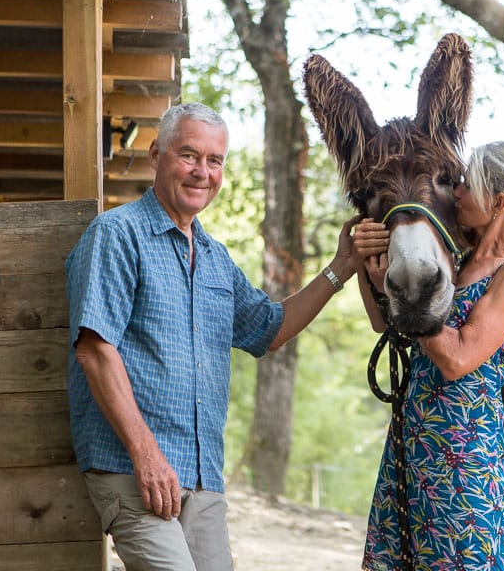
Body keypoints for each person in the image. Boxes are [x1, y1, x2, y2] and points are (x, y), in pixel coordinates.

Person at [66, 102, 360, 571]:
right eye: (188, 155)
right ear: (156, 154)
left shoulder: (215, 258)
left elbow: (271, 329)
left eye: (214, 160)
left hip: (202, 480)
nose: (202, 172)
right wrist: (147, 455)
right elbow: (95, 351)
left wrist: (341, 268)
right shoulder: (117, 234)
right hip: (133, 469)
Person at [354, 141, 504, 570]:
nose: (457, 194)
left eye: (467, 184)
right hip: (415, 446)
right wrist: (375, 278)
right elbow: (385, 324)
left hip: (463, 457)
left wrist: (410, 302)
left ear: (499, 202)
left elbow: (458, 358)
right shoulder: (461, 259)